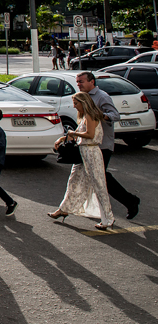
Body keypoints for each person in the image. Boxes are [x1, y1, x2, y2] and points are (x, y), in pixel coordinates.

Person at [79, 71, 140, 219]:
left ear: (92, 82)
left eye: (81, 81)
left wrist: (101, 115)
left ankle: (129, 201)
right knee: (91, 176)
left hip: (102, 145)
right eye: (77, 82)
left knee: (101, 177)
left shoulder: (102, 96)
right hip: (89, 145)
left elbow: (115, 115)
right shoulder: (84, 97)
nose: (79, 84)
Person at [50, 90, 115, 229]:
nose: (74, 106)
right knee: (74, 181)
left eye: (76, 103)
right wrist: (63, 138)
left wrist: (73, 133)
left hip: (91, 152)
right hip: (83, 151)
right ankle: (64, 209)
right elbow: (80, 134)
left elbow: (90, 134)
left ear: (83, 103)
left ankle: (108, 218)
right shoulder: (85, 115)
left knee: (98, 184)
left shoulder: (91, 115)